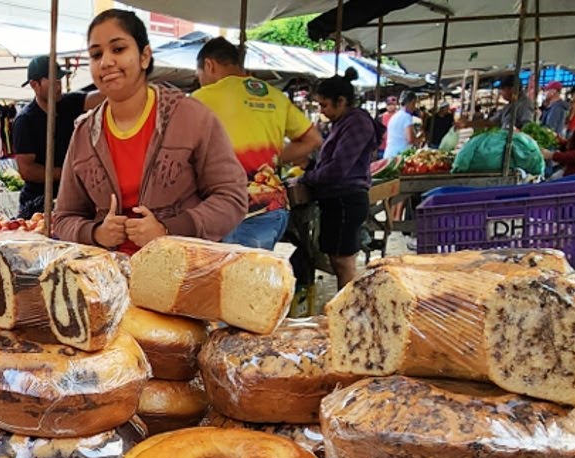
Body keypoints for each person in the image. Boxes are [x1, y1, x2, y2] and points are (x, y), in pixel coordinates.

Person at [53, 10, 247, 254]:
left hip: (182, 276)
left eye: (118, 49)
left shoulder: (191, 117)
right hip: (108, 281)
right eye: (96, 54)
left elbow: (232, 197)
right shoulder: (84, 133)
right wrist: (96, 232)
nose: (106, 62)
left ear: (144, 56)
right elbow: (63, 216)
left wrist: (168, 229)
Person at [193, 36, 322, 250]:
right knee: (254, 277)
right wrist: (273, 157)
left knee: (229, 279)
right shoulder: (275, 96)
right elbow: (313, 139)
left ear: (209, 65)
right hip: (273, 208)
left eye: (199, 75)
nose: (200, 81)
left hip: (228, 209)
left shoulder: (200, 98)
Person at [297, 67, 384, 290]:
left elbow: (338, 169)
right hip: (337, 200)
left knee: (343, 261)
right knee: (337, 259)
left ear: (341, 101)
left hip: (346, 199)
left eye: (324, 105)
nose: (322, 111)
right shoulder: (342, 123)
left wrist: (308, 177)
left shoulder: (357, 123)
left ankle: (348, 309)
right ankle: (346, 305)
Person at [12, 56, 90, 219]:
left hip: (71, 196)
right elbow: (27, 170)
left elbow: (97, 98)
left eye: (60, 80)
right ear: (35, 85)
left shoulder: (68, 103)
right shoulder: (25, 120)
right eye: (53, 81)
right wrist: (67, 173)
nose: (59, 86)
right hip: (39, 202)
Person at [384, 91, 419, 159]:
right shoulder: (407, 117)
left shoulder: (395, 116)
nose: (414, 108)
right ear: (412, 102)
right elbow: (410, 140)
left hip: (389, 154)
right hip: (399, 156)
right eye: (414, 104)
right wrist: (419, 138)